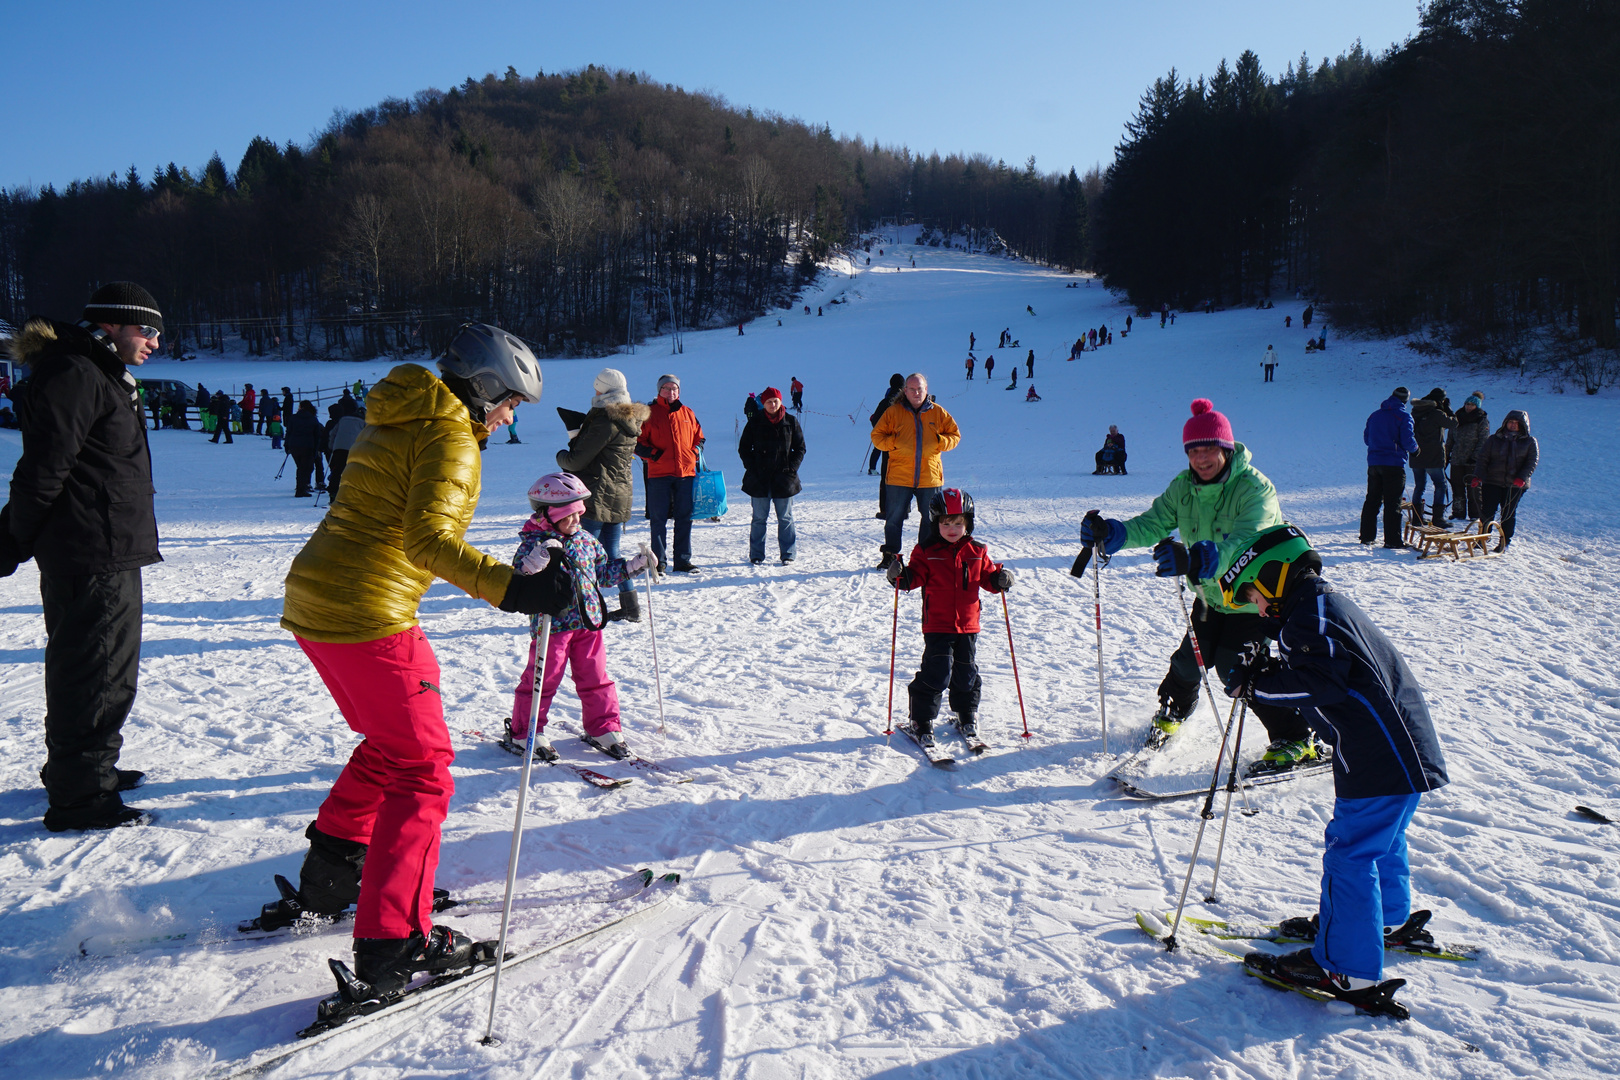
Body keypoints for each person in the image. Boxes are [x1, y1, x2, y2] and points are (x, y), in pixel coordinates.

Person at [270, 322, 571, 1001]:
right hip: (366, 611)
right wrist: (516, 589)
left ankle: (334, 874)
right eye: (511, 401)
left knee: (392, 745)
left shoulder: (402, 411)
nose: (508, 417)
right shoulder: (450, 435)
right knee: (425, 770)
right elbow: (428, 539)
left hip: (318, 597)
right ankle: (392, 941)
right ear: (487, 386)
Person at [1217, 523, 1447, 1013]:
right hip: (1398, 750)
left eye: (1255, 596)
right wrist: (1270, 662)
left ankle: (1346, 968)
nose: (1256, 607)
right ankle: (1381, 922)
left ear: (1275, 576)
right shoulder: (1320, 608)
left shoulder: (1311, 618)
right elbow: (1328, 672)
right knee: (1378, 843)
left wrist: (1253, 686)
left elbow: (1322, 685)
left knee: (1350, 853)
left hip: (1377, 756)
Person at [1, 282, 163, 830]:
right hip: (90, 548)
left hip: (108, 543)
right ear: (112, 326)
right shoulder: (76, 372)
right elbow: (44, 470)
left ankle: (85, 769)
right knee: (92, 672)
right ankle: (81, 796)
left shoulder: (95, 370)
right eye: (146, 330)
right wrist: (10, 541)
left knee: (103, 669)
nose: (155, 342)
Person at [1080, 400, 1316, 770]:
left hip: (1254, 600)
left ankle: (1298, 737)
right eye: (1194, 450)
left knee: (1238, 670)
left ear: (1226, 448)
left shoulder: (1254, 488)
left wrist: (1197, 560)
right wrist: (1116, 533)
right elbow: (1155, 522)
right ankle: (1172, 712)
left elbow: (1244, 542)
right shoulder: (1184, 487)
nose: (1202, 458)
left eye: (1209, 449)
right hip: (1209, 599)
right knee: (1189, 660)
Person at [505, 472, 652, 762]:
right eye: (569, 516)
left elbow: (601, 573)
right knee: (542, 679)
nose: (576, 521)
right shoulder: (536, 544)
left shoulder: (585, 540)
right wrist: (531, 566)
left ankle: (603, 727)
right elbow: (518, 579)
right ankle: (525, 732)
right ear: (549, 515)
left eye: (579, 515)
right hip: (553, 626)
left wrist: (633, 566)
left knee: (596, 677)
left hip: (588, 622)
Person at [884, 489, 1013, 748]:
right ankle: (920, 720)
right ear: (936, 523)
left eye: (958, 523)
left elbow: (988, 578)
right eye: (946, 523)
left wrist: (1000, 579)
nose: (952, 528)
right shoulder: (925, 550)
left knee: (966, 673)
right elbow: (914, 577)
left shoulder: (977, 550)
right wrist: (900, 576)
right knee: (938, 673)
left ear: (968, 523)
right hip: (938, 624)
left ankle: (966, 714)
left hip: (968, 624)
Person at [556, 367, 649, 622]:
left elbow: (575, 461)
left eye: (597, 386)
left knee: (582, 556)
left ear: (604, 389)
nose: (594, 390)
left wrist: (560, 456)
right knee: (612, 552)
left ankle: (583, 609)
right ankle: (631, 607)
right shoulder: (630, 420)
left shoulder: (605, 420)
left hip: (596, 496)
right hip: (619, 495)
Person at [870, 373, 961, 569]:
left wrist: (941, 441)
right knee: (894, 518)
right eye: (912, 389)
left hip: (929, 476)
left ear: (926, 390)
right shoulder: (893, 412)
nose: (916, 392)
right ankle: (890, 555)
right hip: (898, 476)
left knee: (930, 519)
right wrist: (893, 442)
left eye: (920, 388)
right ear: (905, 391)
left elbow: (954, 435)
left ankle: (924, 555)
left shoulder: (938, 413)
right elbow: (877, 436)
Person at [636, 373, 705, 573]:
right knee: (658, 520)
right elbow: (637, 442)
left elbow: (699, 437)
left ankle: (683, 561)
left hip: (685, 474)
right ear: (659, 391)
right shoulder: (649, 413)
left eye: (674, 388)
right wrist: (654, 455)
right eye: (666, 388)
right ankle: (659, 563)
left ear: (679, 391)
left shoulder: (687, 412)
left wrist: (693, 452)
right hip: (659, 475)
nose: (671, 392)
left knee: (684, 517)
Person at [738, 386, 806, 565]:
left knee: (785, 518)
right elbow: (744, 448)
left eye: (776, 401)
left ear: (781, 402)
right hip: (759, 479)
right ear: (763, 403)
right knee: (759, 519)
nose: (773, 404)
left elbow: (800, 448)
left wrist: (792, 468)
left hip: (784, 479)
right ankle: (757, 555)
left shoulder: (790, 421)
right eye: (769, 401)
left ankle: (788, 554)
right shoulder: (754, 422)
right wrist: (752, 468)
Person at [1471, 409, 1537, 553]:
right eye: (1511, 422)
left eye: (1516, 423)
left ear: (1523, 425)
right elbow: (1483, 459)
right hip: (1492, 481)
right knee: (1487, 511)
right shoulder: (1494, 439)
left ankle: (1504, 541)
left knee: (1508, 513)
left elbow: (1531, 462)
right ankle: (1482, 538)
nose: (1513, 425)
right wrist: (1478, 476)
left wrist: (1522, 478)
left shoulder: (1530, 442)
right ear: (1505, 423)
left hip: (1515, 485)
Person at [1360, 387, 1418, 548]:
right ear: (1405, 400)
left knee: (1372, 499)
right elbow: (1408, 440)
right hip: (1393, 464)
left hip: (1374, 463)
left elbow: (1367, 438)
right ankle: (1392, 540)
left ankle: (1366, 536)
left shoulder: (1375, 415)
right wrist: (1416, 450)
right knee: (1393, 503)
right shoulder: (1404, 416)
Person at [1409, 388, 1456, 528]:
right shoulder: (1436, 413)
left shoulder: (1415, 412)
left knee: (1419, 486)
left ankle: (1417, 518)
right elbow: (1453, 423)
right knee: (1440, 485)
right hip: (1434, 456)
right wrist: (1448, 409)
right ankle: (1438, 518)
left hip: (1417, 456)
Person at [868, 372, 905, 520]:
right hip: (906, 446)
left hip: (889, 446)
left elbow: (875, 420)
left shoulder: (886, 402)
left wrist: (884, 433)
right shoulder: (907, 402)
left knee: (887, 477)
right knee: (904, 477)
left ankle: (885, 509)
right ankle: (904, 508)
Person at [1447, 392, 1489, 522]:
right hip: (1457, 459)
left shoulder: (1481, 420)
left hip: (1473, 462)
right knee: (1457, 487)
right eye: (1467, 404)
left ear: (1477, 406)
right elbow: (1450, 439)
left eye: (1471, 405)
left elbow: (1483, 441)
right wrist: (1446, 455)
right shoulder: (1457, 418)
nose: (1468, 407)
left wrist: (1475, 457)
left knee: (1474, 489)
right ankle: (1458, 512)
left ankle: (1475, 514)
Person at [286, 400, 327, 496]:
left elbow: (289, 432)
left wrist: (287, 445)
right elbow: (316, 435)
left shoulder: (293, 418)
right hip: (308, 446)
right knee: (306, 468)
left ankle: (301, 487)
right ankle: (301, 488)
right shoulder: (313, 419)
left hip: (294, 445)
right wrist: (316, 448)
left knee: (300, 467)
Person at [326, 405, 365, 505]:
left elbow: (333, 433)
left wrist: (332, 447)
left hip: (338, 449)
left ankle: (333, 493)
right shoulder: (364, 422)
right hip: (354, 450)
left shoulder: (342, 420)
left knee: (336, 471)